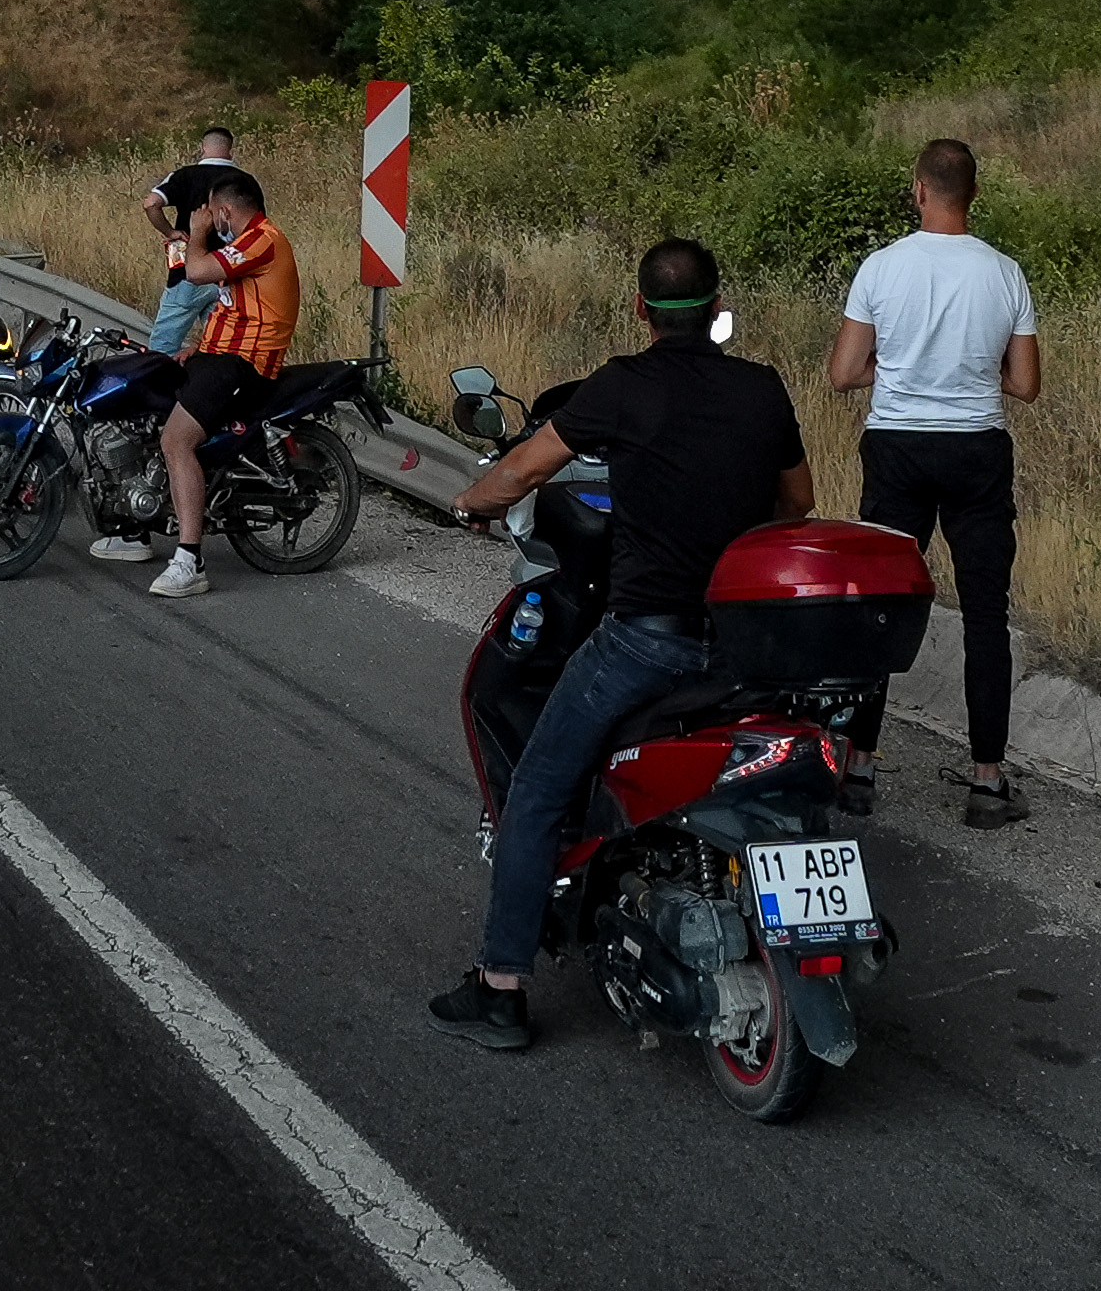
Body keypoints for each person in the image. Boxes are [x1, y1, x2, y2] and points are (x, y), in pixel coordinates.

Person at [427, 235, 810, 1056]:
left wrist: (469, 504)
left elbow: (524, 469)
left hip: (648, 642)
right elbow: (797, 505)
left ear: (642, 309)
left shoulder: (622, 387)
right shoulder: (762, 388)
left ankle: (500, 989)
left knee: (534, 794)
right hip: (749, 645)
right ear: (716, 310)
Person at [832, 134, 1042, 826]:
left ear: (919, 190)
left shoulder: (881, 268)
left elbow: (843, 372)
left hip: (896, 447)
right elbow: (1026, 384)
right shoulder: (1005, 273)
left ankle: (858, 765)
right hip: (977, 448)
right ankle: (986, 780)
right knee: (987, 612)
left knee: (881, 603)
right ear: (972, 193)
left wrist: (892, 373)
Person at [121, 167, 296, 600]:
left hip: (245, 364)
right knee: (148, 397)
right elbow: (231, 307)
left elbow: (195, 272)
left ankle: (189, 559)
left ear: (225, 211)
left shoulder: (262, 239)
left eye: (210, 212)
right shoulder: (243, 242)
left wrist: (194, 232)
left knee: (175, 441)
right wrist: (196, 349)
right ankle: (133, 527)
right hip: (219, 356)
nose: (205, 217)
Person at [141, 124, 244, 355]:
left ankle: (158, 385)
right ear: (231, 152)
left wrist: (170, 232)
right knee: (219, 348)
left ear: (202, 149)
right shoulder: (245, 183)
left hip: (187, 274)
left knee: (163, 347)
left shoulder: (185, 176)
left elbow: (151, 203)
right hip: (229, 276)